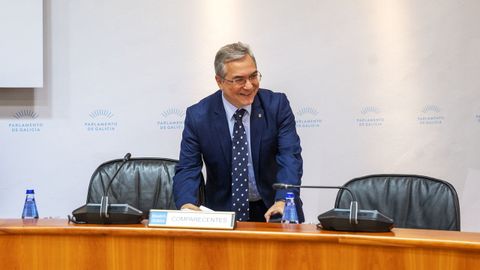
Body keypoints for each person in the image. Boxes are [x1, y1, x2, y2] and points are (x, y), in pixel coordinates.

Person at [173, 42, 304, 222]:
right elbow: (188, 167)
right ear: (219, 81)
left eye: (253, 76)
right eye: (239, 79)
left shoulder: (276, 105)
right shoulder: (198, 116)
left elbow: (290, 157)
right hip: (221, 213)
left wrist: (283, 200)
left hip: (273, 208)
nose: (249, 86)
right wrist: (187, 204)